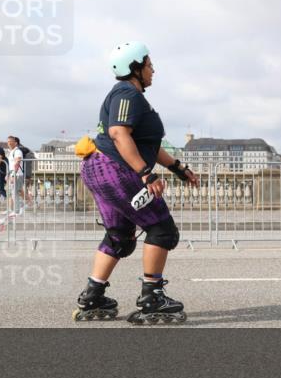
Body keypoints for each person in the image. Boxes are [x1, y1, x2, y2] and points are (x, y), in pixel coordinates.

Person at [73, 41, 200, 325]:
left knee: (120, 235)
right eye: (149, 64)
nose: (153, 69)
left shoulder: (129, 95)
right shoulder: (127, 93)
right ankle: (152, 296)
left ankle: (93, 295)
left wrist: (178, 168)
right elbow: (119, 133)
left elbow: (146, 144)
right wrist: (146, 173)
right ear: (135, 67)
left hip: (101, 167)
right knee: (161, 229)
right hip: (115, 169)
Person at [6, 136, 25, 214]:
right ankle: (21, 207)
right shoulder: (11, 152)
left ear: (15, 143)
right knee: (15, 192)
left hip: (17, 175)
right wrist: (8, 174)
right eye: (8, 142)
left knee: (15, 193)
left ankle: (16, 211)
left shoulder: (17, 151)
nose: (9, 143)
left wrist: (13, 175)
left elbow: (17, 163)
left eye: (11, 141)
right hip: (13, 174)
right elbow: (11, 165)